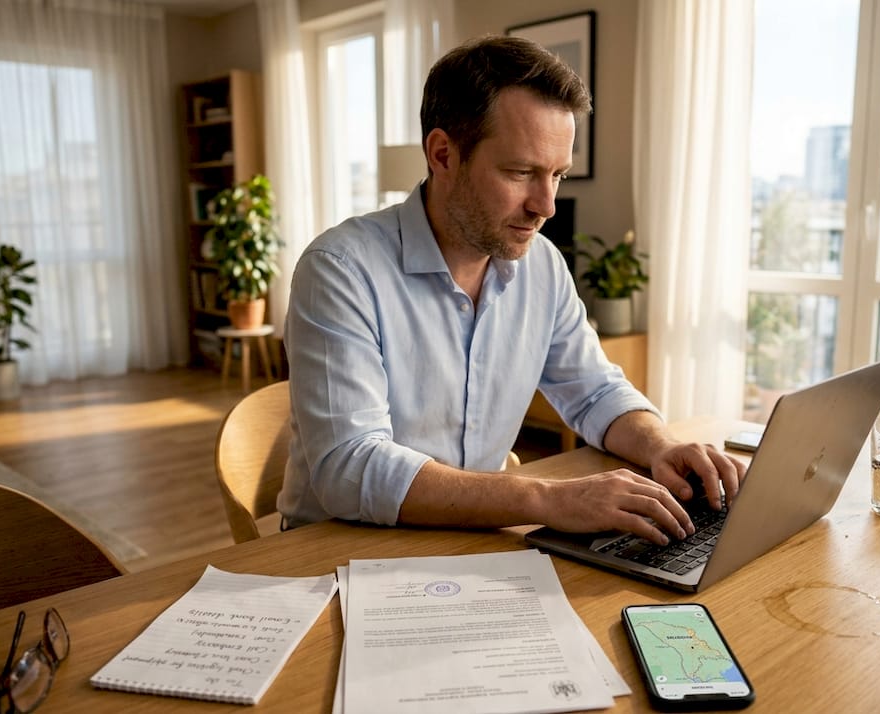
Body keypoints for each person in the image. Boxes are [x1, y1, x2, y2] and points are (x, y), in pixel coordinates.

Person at [278, 35, 745, 544]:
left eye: (557, 175)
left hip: (472, 537)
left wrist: (661, 446)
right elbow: (350, 469)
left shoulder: (542, 265)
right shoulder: (341, 270)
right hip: (340, 549)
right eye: (521, 172)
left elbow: (595, 391)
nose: (546, 205)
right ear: (443, 154)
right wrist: (547, 498)